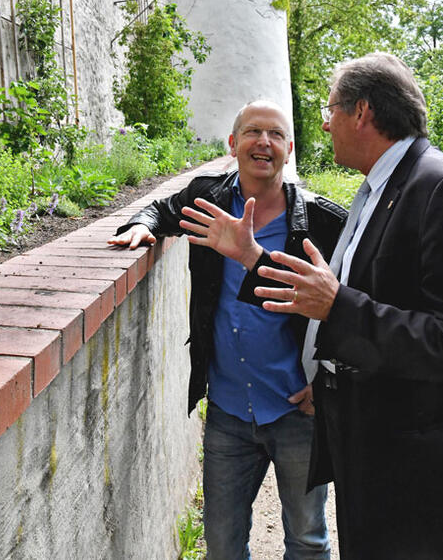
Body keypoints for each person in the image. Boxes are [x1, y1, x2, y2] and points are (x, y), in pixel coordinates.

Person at [182, 55, 443, 559]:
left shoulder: (442, 187)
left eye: (330, 110)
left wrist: (338, 307)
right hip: (374, 453)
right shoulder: (378, 189)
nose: (325, 123)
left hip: (416, 468)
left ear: (362, 112)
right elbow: (342, 298)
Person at [108, 100, 347, 560]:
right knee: (221, 546)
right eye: (253, 132)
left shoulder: (323, 221)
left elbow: (353, 306)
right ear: (233, 144)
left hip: (299, 413)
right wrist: (142, 225)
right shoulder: (209, 201)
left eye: (276, 134)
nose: (264, 142)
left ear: (289, 149)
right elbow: (162, 208)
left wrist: (329, 379)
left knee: (307, 541)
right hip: (228, 414)